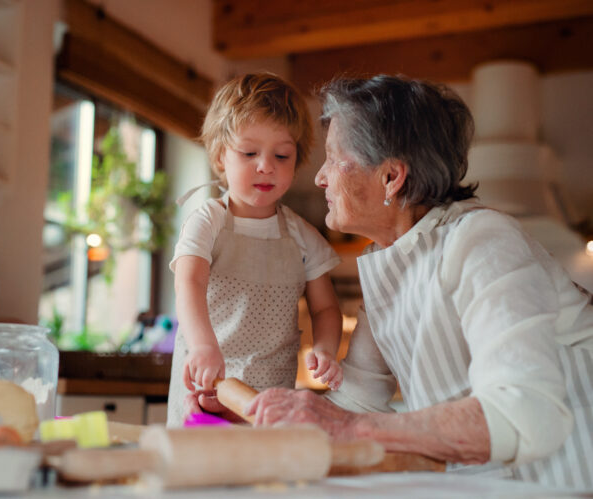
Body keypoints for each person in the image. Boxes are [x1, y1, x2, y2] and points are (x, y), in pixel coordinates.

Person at [231, 74, 592, 490]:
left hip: (571, 479)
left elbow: (525, 415)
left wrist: (354, 428)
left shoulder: (482, 239)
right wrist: (255, 414)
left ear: (391, 177)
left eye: (333, 158)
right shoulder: (387, 260)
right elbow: (356, 399)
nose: (320, 178)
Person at [166, 73, 344, 427]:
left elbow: (326, 308)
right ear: (220, 156)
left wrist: (325, 349)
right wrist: (203, 346)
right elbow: (189, 283)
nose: (266, 166)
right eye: (249, 152)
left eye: (282, 155)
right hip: (207, 384)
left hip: (269, 397)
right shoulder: (208, 221)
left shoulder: (302, 237)